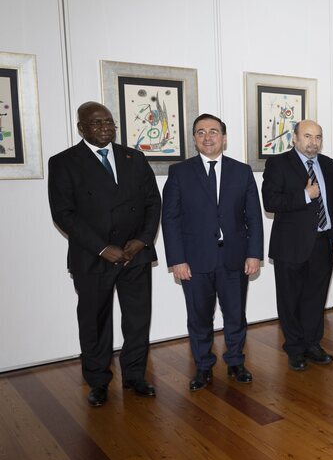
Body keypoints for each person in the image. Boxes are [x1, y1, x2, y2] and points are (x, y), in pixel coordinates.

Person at [48, 102, 161, 407]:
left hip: (135, 254)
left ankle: (135, 375)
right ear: (81, 128)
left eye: (108, 122)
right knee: (95, 323)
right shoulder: (63, 162)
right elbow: (64, 213)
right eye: (96, 124)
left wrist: (142, 240)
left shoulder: (133, 157)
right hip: (93, 257)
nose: (104, 128)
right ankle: (98, 381)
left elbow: (153, 202)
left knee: (137, 320)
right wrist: (102, 247)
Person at [162, 114, 264, 390]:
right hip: (194, 260)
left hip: (234, 257)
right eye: (201, 132)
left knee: (235, 315)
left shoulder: (241, 171)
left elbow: (253, 216)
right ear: (194, 138)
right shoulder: (179, 172)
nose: (208, 137)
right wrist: (177, 260)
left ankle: (235, 362)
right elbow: (170, 219)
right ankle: (203, 367)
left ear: (224, 138)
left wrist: (254, 254)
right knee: (199, 317)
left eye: (214, 132)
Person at [262, 120, 333, 372]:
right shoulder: (278, 163)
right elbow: (270, 201)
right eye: (307, 136)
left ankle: (312, 344)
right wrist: (304, 195)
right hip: (290, 244)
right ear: (294, 139)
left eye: (318, 137)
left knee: (315, 298)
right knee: (290, 299)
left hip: (322, 242)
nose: (313, 142)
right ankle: (295, 348)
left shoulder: (329, 165)